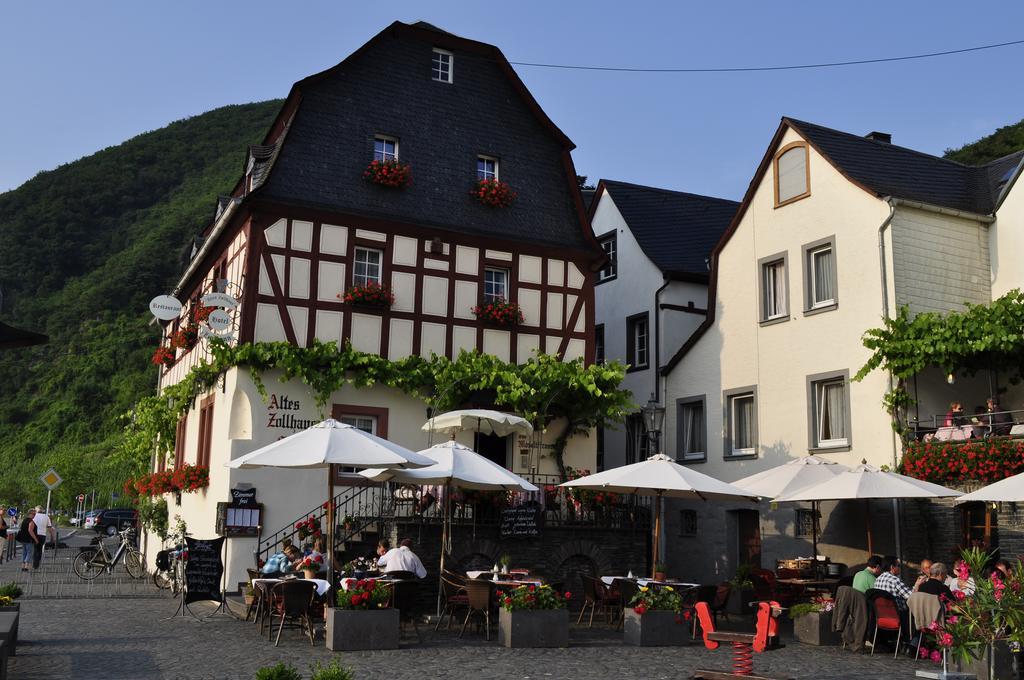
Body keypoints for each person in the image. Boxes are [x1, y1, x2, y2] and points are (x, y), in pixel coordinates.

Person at [32, 505, 54, 570]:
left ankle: (34, 564)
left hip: (35, 535)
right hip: (43, 535)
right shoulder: (46, 517)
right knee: (40, 549)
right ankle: (38, 563)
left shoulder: (34, 516)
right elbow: (49, 528)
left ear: (37, 510)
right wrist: (52, 536)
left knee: (35, 549)